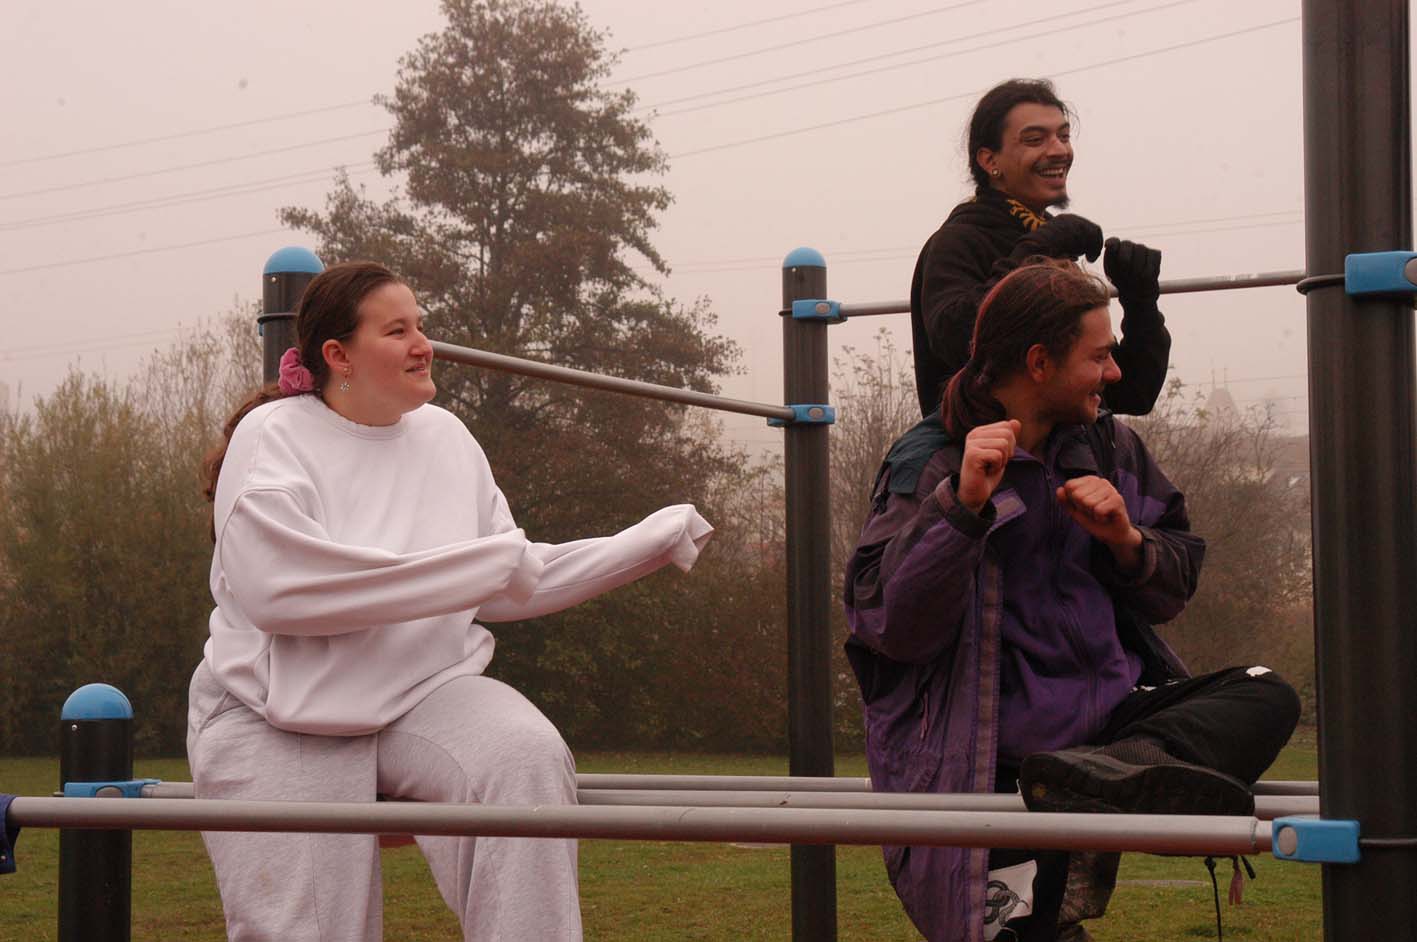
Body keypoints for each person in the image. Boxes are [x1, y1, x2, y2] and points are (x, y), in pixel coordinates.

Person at [188, 260, 713, 941]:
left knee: (524, 756)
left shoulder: (447, 437)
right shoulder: (272, 437)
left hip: (419, 691)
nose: (422, 344)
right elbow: (279, 592)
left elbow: (507, 578)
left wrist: (640, 545)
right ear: (338, 355)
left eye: (421, 325)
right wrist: (479, 567)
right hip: (272, 709)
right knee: (309, 928)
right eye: (397, 330)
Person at [844, 260, 1299, 942]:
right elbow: (891, 626)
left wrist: (1126, 540)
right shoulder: (933, 461)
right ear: (1038, 362)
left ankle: (1119, 769)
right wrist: (962, 509)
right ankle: (1096, 780)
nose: (1113, 373)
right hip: (993, 758)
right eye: (1098, 356)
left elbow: (1174, 584)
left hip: (1105, 734)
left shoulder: (1110, 447)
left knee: (1264, 693)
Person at [910, 78, 1171, 419]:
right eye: (1035, 140)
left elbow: (1133, 393)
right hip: (989, 445)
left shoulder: (1051, 240)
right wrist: (1039, 251)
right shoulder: (956, 242)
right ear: (989, 160)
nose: (1059, 150)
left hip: (1070, 446)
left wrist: (1141, 304)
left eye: (1063, 136)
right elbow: (959, 342)